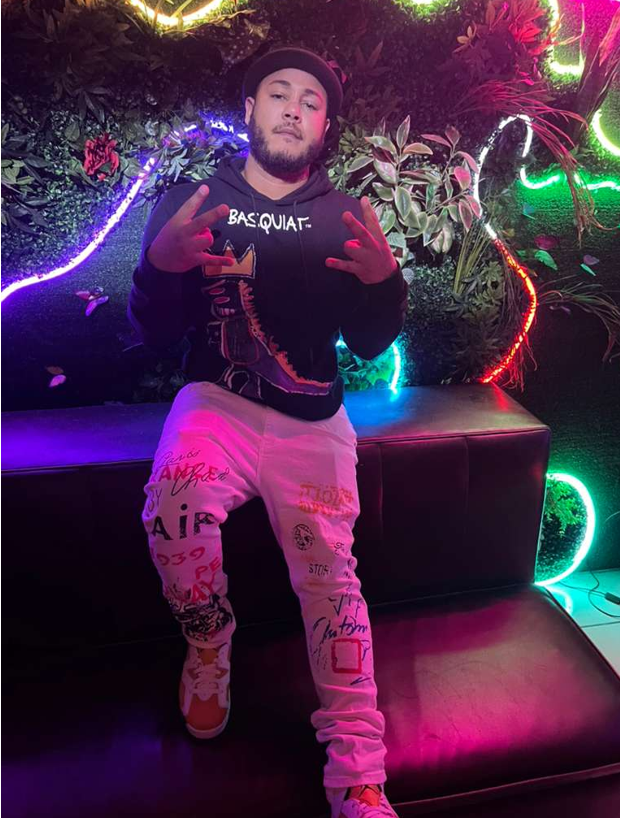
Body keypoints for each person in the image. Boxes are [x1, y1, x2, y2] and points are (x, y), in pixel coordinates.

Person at [128, 46, 408, 818]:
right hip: (213, 403)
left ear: (325, 126)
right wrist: (159, 267)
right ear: (250, 109)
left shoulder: (344, 214)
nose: (293, 108)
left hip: (313, 419)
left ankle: (358, 771)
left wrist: (387, 286)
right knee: (172, 508)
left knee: (331, 581)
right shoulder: (192, 201)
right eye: (279, 93)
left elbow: (372, 343)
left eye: (311, 101)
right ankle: (209, 641)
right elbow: (152, 337)